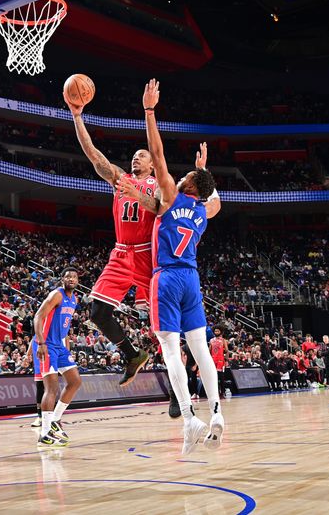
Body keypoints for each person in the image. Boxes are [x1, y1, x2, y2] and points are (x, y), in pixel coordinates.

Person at [121, 79, 221, 456]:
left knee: (169, 350)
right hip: (192, 277)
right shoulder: (203, 211)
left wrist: (149, 111)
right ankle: (217, 411)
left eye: (186, 178)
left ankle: (189, 416)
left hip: (165, 277)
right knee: (200, 350)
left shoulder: (169, 194)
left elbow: (158, 153)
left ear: (187, 185)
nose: (178, 176)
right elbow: (217, 203)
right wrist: (205, 174)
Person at [65, 89, 158, 387]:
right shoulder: (120, 179)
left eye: (141, 156)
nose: (136, 158)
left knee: (163, 323)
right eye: (133, 156)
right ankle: (131, 355)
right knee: (97, 312)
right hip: (120, 253)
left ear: (152, 165)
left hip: (146, 254)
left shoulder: (158, 184)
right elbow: (93, 154)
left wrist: (139, 197)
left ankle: (177, 388)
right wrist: (77, 116)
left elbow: (160, 208)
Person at [33, 268, 82, 447]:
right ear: (62, 279)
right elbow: (38, 317)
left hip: (59, 346)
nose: (71, 279)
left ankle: (55, 420)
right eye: (68, 276)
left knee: (75, 381)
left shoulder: (74, 299)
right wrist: (41, 343)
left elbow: (65, 327)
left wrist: (66, 348)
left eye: (74, 277)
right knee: (51, 388)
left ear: (78, 281)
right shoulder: (56, 294)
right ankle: (44, 434)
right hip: (46, 344)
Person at [209, 327, 231, 398]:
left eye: (218, 331)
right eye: (215, 331)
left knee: (221, 377)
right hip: (213, 360)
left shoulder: (223, 340)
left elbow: (227, 351)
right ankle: (216, 392)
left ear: (220, 332)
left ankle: (223, 392)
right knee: (214, 378)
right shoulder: (211, 340)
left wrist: (227, 360)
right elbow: (209, 351)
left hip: (221, 361)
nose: (216, 332)